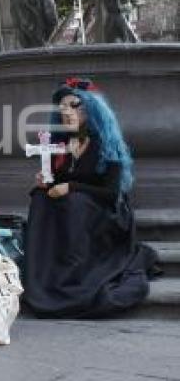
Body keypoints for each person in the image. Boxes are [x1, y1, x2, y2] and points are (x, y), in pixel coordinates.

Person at [24, 78, 158, 318]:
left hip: (106, 213)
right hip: (74, 212)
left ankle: (76, 275)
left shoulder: (106, 144)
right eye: (62, 108)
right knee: (40, 198)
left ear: (92, 109)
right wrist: (47, 183)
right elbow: (60, 182)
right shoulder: (62, 145)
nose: (67, 112)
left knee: (75, 202)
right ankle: (44, 273)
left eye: (74, 105)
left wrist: (71, 187)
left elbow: (111, 193)